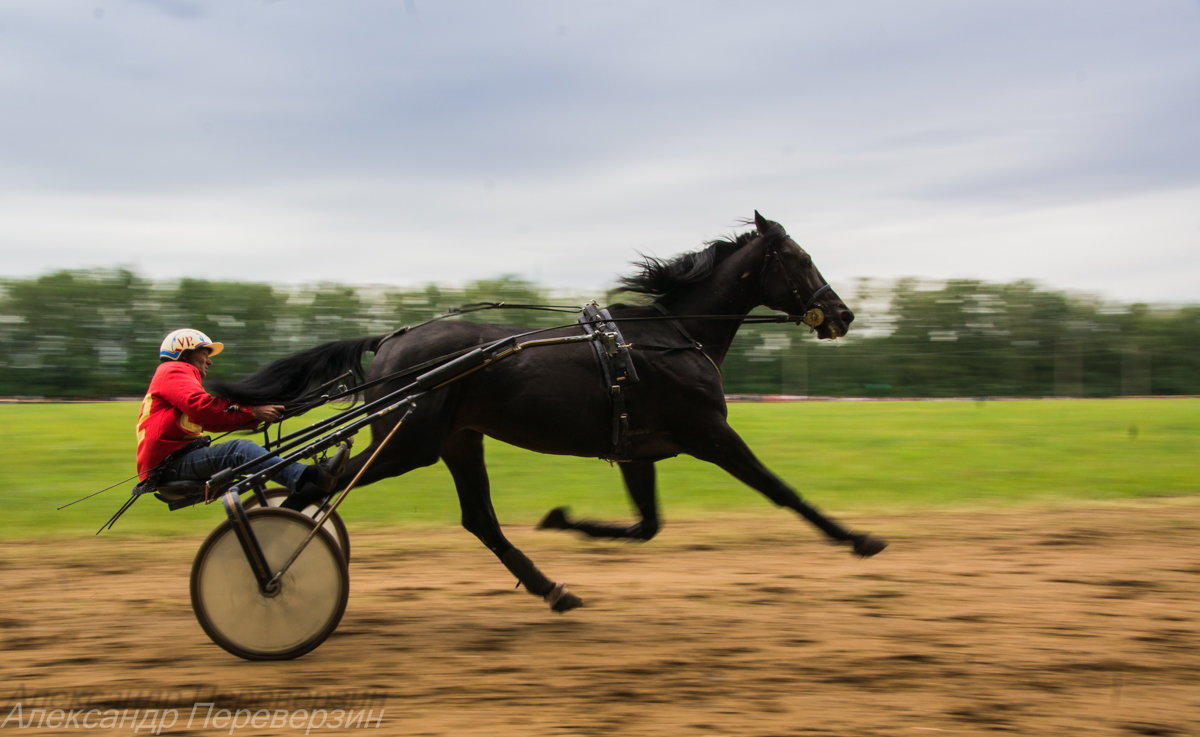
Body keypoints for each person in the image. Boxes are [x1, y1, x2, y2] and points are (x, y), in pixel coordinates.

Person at [136, 328, 343, 510]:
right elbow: (202, 409)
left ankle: (292, 488)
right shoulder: (175, 370)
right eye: (204, 352)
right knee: (239, 451)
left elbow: (211, 421)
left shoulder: (174, 375)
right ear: (185, 352)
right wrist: (251, 412)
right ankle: (308, 477)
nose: (209, 360)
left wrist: (254, 417)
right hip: (171, 466)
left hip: (171, 463)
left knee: (248, 456)